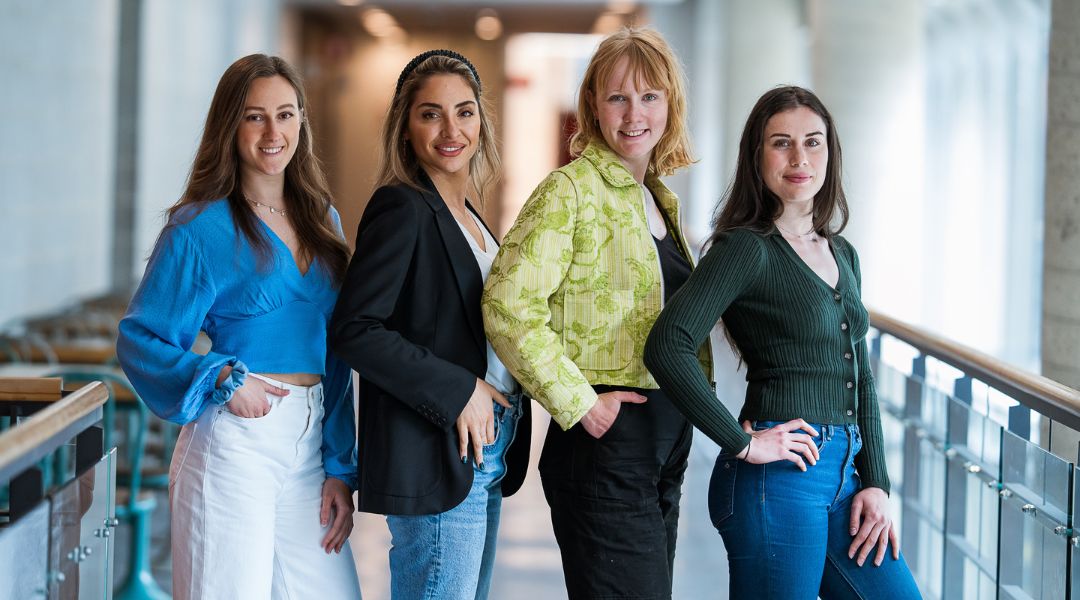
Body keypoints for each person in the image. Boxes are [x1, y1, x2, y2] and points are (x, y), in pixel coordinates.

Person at [643, 85, 922, 599]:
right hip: (780, 477)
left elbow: (860, 377)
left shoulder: (844, 254)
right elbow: (667, 345)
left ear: (830, 153)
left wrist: (877, 481)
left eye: (813, 143)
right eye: (782, 143)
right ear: (757, 155)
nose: (799, 158)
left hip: (845, 478)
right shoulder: (744, 248)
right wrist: (741, 441)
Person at [116, 54, 361, 600]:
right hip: (234, 446)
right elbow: (139, 339)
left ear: (302, 121)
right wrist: (223, 374)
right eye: (255, 117)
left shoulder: (323, 218)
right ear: (230, 126)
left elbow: (339, 352)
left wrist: (341, 465)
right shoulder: (199, 228)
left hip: (310, 445)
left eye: (287, 114)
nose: (274, 132)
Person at [482, 28, 709, 600]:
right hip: (605, 445)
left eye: (650, 97)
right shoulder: (569, 191)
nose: (635, 114)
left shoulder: (659, 199)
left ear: (670, 107)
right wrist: (579, 402)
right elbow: (508, 307)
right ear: (594, 107)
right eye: (618, 97)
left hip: (665, 443)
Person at [328, 49, 530, 600]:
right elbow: (355, 328)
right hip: (436, 449)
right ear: (405, 126)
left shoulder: (470, 215)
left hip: (486, 446)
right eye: (430, 114)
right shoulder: (402, 207)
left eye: (465, 112)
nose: (451, 129)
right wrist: (458, 388)